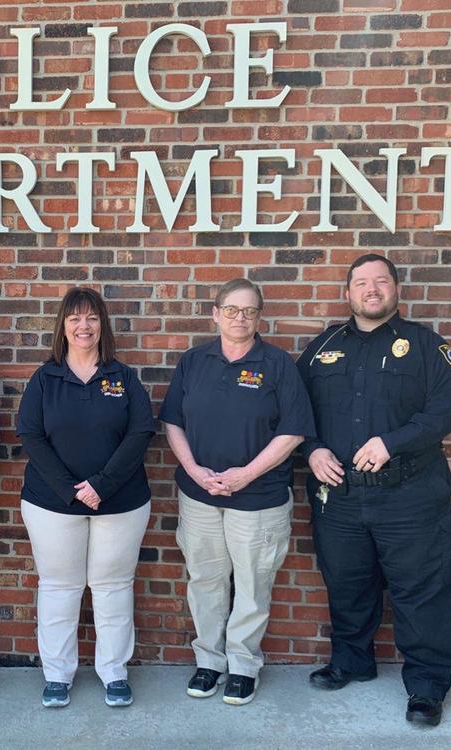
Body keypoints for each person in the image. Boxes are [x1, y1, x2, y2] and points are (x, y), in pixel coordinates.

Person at [296, 253, 451, 727]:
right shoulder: (322, 347)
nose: (371, 290)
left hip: (410, 495)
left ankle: (427, 688)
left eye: (381, 282)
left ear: (396, 290)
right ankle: (352, 660)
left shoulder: (428, 347)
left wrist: (392, 443)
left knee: (422, 591)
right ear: (347, 293)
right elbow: (293, 410)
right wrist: (311, 449)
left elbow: (449, 409)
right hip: (341, 497)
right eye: (361, 283)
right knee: (348, 585)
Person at [159, 279, 315, 706]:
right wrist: (192, 469)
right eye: (231, 310)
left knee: (252, 583)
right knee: (205, 580)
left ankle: (243, 666)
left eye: (248, 311)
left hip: (259, 497)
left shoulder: (278, 364)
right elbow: (173, 420)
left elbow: (294, 430)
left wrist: (246, 474)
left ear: (259, 317)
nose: (239, 318)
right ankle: (209, 661)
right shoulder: (193, 361)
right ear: (215, 313)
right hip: (200, 496)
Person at [16, 288, 155, 709]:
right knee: (60, 587)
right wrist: (69, 488)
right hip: (51, 503)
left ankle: (114, 672)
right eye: (75, 318)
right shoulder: (45, 378)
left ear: (102, 325)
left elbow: (140, 433)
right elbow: (30, 436)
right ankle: (57, 675)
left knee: (113, 586)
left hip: (120, 502)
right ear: (62, 325)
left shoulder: (123, 377)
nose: (83, 326)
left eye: (92, 318)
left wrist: (102, 484)